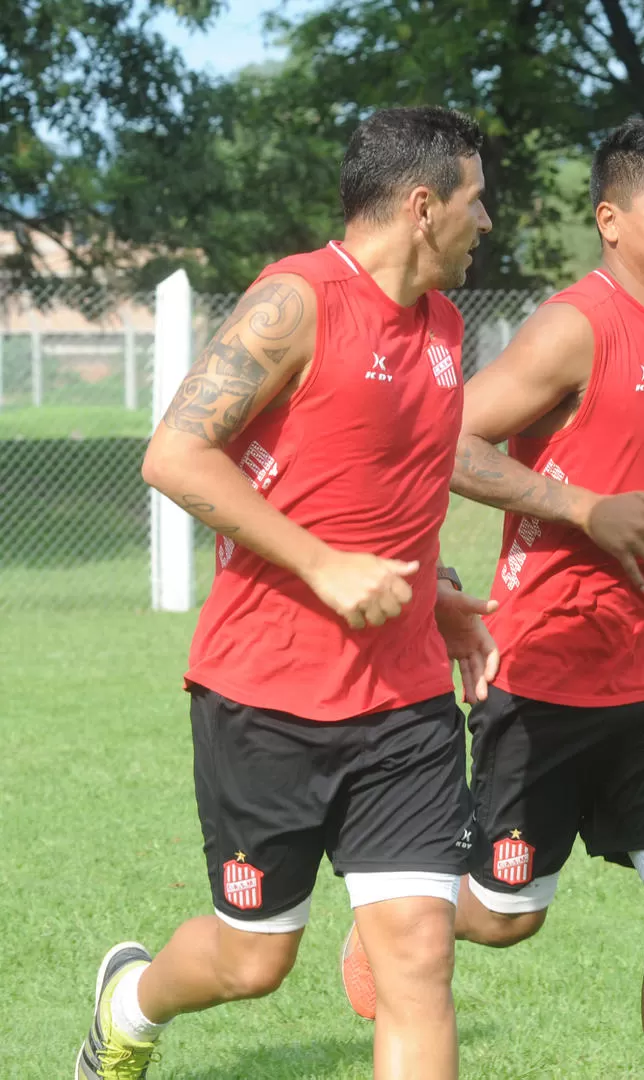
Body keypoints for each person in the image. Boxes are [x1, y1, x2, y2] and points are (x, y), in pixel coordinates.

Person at [76, 105, 498, 1080]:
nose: (488, 224)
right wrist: (320, 565)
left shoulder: (444, 324)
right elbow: (175, 455)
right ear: (425, 205)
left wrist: (437, 595)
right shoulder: (295, 300)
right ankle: (130, 1004)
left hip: (405, 704)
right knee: (253, 959)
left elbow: (391, 493)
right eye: (478, 202)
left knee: (418, 958)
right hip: (265, 700)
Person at [342, 118, 644, 1079]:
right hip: (544, 672)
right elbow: (450, 445)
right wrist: (583, 511)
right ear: (612, 221)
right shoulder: (575, 325)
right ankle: (396, 917)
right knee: (505, 915)